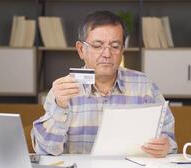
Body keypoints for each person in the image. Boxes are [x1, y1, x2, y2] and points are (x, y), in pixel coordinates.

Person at [31, 10, 177, 157]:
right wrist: (60, 107)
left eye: (115, 46)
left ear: (122, 51)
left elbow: (168, 139)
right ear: (81, 50)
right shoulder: (63, 90)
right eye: (97, 45)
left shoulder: (144, 86)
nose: (107, 54)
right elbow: (45, 151)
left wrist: (165, 145)